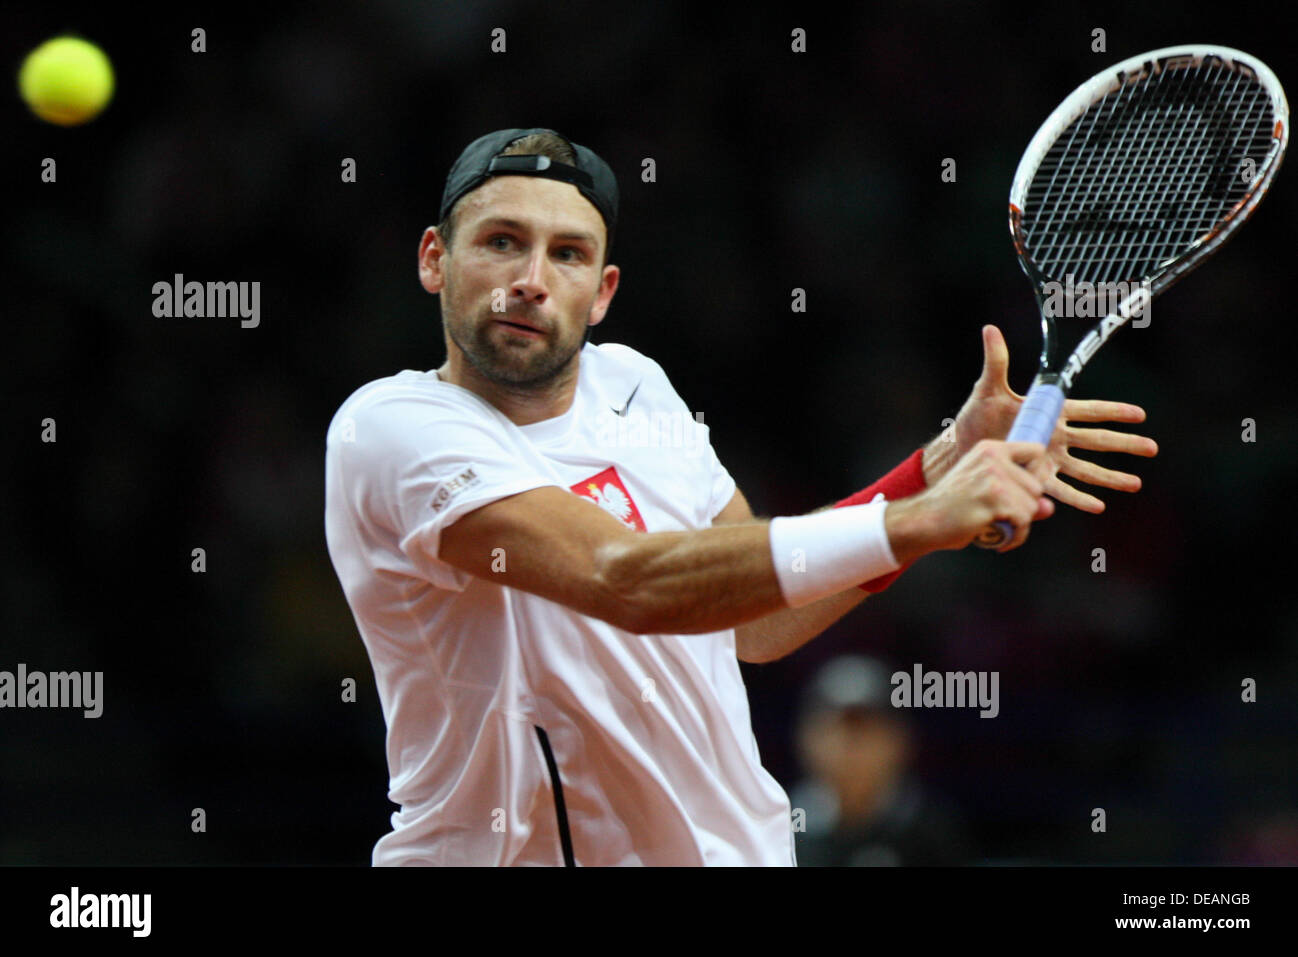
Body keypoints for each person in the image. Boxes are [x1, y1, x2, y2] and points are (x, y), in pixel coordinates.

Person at [323, 127, 1157, 866]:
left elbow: (757, 618)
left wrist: (938, 469)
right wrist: (913, 523)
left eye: (568, 253)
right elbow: (630, 577)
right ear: (435, 258)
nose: (532, 280)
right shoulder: (392, 428)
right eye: (502, 242)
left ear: (603, 290)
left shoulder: (635, 385)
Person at [791, 655, 974, 866]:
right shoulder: (783, 823)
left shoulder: (932, 827)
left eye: (866, 729)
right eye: (838, 728)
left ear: (899, 739)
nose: (850, 744)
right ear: (807, 738)